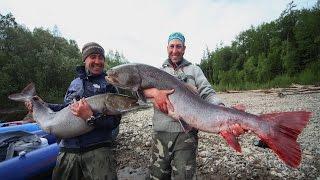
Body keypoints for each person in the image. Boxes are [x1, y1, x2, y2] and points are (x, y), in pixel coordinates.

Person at [148, 32, 224, 180]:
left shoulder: (195, 70)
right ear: (167, 47)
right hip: (160, 135)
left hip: (186, 135)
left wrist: (220, 105)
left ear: (184, 49)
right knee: (157, 176)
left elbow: (208, 92)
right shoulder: (157, 72)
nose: (174, 50)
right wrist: (156, 93)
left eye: (178, 46)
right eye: (172, 46)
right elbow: (141, 94)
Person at [50, 42, 121, 180]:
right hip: (68, 151)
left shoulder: (110, 85)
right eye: (93, 57)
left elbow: (114, 122)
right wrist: (42, 104)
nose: (97, 61)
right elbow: (65, 109)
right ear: (84, 59)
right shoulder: (74, 83)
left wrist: (90, 117)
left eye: (101, 57)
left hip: (98, 151)